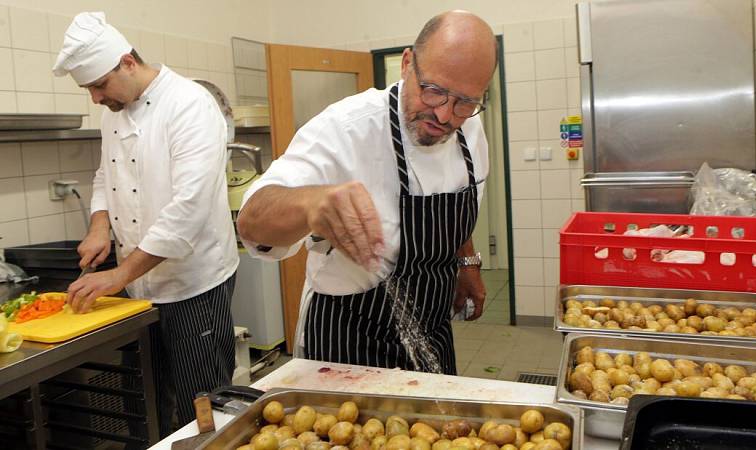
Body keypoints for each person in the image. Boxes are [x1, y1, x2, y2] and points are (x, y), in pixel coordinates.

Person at [237, 10, 495, 375]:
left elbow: (454, 193)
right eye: (433, 91)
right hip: (349, 338)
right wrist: (311, 204)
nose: (445, 116)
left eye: (465, 102)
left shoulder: (469, 126)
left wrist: (466, 260)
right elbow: (252, 220)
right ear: (407, 64)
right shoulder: (345, 129)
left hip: (432, 332)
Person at [52, 12, 239, 437]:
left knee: (202, 403)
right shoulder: (112, 114)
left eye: (99, 85)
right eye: (89, 89)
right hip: (140, 290)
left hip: (194, 285)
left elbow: (187, 210)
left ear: (128, 62)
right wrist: (100, 224)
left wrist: (119, 273)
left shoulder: (189, 104)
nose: (96, 98)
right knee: (152, 401)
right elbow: (106, 175)